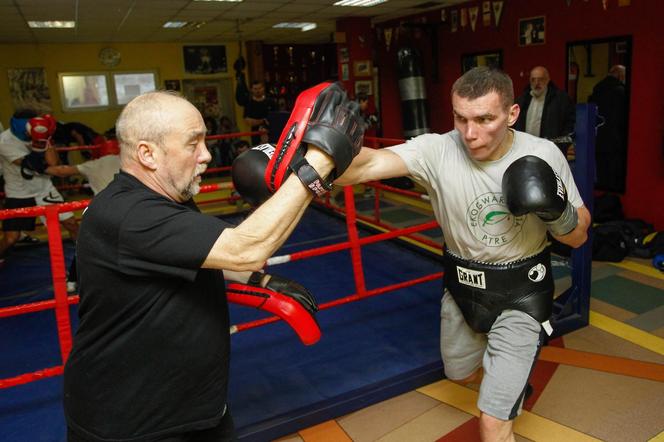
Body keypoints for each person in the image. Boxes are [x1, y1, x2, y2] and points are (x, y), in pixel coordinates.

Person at [62, 89, 360, 441]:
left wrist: (259, 280)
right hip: (130, 423)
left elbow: (202, 256)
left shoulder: (169, 200)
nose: (206, 155)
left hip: (195, 408)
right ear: (148, 153)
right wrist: (318, 165)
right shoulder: (129, 213)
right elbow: (244, 247)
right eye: (193, 144)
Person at [336, 67, 590, 442]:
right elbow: (366, 165)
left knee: (492, 418)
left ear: (512, 114)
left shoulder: (543, 154)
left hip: (523, 292)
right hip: (461, 287)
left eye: (485, 119)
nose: (470, 134)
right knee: (460, 374)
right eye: (461, 118)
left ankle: (507, 383)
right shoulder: (438, 149)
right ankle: (507, 378)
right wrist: (313, 153)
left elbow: (578, 236)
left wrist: (558, 211)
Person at [0, 111, 79, 268]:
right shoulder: (4, 141)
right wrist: (38, 144)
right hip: (19, 193)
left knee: (71, 224)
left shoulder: (42, 132)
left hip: (44, 189)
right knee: (11, 238)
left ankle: (84, 255)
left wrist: (46, 138)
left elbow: (53, 162)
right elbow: (32, 166)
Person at [513, 66, 575, 155]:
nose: (536, 83)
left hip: (552, 151)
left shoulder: (561, 100)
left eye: (540, 79)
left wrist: (561, 146)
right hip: (525, 150)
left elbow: (570, 124)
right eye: (533, 80)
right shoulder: (522, 100)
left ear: (548, 80)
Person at [588, 64, 628, 192]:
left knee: (601, 170)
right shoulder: (621, 92)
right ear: (620, 75)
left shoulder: (597, 88)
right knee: (613, 173)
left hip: (598, 138)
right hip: (615, 140)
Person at [243, 81, 275, 145]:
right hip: (256, 135)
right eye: (255, 89)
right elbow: (247, 121)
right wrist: (262, 121)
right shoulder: (249, 103)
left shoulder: (270, 101)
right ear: (251, 90)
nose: (258, 91)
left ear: (263, 88)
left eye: (259, 88)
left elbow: (276, 117)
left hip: (271, 132)